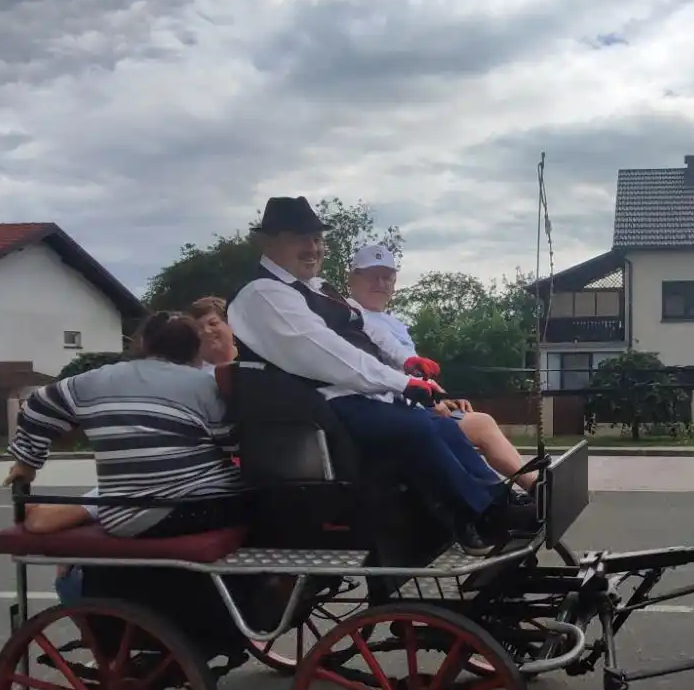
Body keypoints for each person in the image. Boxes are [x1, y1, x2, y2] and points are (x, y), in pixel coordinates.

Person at [224, 196, 535, 553]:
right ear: (267, 242)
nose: (312, 247)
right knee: (415, 428)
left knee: (441, 425)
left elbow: (369, 330)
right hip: (314, 408)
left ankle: (495, 503)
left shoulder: (317, 289)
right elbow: (327, 353)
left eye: (317, 239)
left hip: (347, 397)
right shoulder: (264, 294)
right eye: (300, 237)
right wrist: (402, 383)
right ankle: (476, 516)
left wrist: (407, 362)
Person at [5, 310, 246, 602]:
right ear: (196, 349)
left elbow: (37, 406)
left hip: (119, 515)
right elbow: (232, 445)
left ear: (143, 341)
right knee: (265, 499)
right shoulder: (204, 386)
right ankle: (260, 594)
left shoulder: (93, 380)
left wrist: (27, 464)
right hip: (186, 508)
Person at [347, 243, 537, 492]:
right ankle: (534, 489)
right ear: (352, 278)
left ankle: (526, 489)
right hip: (389, 407)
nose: (380, 283)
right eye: (372, 276)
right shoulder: (351, 317)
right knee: (481, 425)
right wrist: (428, 399)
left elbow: (414, 370)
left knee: (479, 423)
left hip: (413, 401)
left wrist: (443, 396)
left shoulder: (393, 323)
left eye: (387, 277)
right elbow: (373, 370)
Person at [188, 296, 237, 368]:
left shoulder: (251, 361)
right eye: (199, 328)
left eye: (213, 323)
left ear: (229, 324)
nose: (206, 331)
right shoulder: (191, 374)